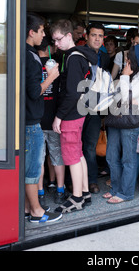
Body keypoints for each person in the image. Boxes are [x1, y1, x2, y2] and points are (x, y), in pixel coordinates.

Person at [51, 19, 98, 213]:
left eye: (58, 39)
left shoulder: (73, 58)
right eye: (54, 40)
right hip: (80, 112)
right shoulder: (81, 55)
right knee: (78, 154)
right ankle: (85, 192)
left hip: (71, 114)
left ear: (69, 36)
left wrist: (58, 117)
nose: (56, 44)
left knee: (71, 157)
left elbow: (72, 92)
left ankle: (77, 198)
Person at [103, 44, 139, 204]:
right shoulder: (131, 74)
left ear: (134, 59)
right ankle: (116, 188)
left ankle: (126, 193)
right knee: (111, 156)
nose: (125, 59)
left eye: (128, 56)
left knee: (128, 159)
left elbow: (125, 96)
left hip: (131, 121)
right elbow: (119, 96)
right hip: (116, 118)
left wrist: (124, 77)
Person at [25, 13, 61, 223]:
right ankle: (37, 212)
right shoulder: (31, 57)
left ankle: (30, 207)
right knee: (32, 169)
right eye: (41, 31)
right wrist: (51, 78)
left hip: (27, 119)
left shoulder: (24, 53)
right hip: (31, 122)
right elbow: (33, 92)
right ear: (32, 32)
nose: (44, 35)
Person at [36, 34, 67, 205]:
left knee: (39, 159)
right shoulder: (57, 66)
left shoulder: (32, 65)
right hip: (54, 120)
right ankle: (60, 191)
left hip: (36, 120)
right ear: (50, 48)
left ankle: (40, 193)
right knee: (58, 157)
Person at [81, 22, 111, 194]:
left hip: (95, 110)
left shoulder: (104, 58)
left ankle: (91, 181)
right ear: (87, 36)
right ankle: (74, 182)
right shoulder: (78, 54)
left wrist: (103, 114)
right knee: (75, 147)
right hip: (76, 108)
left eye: (100, 36)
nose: (97, 39)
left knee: (90, 147)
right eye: (94, 35)